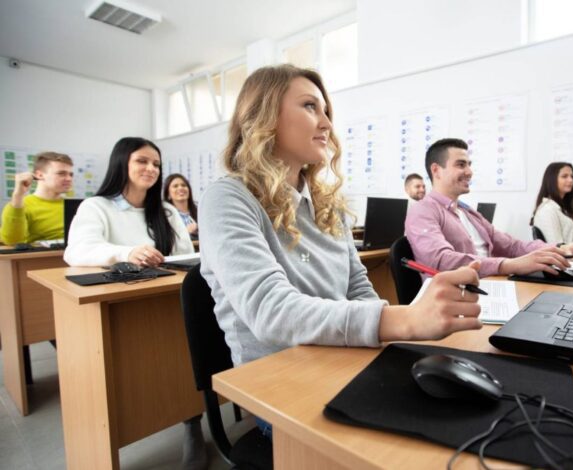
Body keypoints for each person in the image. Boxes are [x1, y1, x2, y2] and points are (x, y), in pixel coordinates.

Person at [198, 65, 483, 438]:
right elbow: (271, 312)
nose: (326, 124)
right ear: (264, 115)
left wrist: (394, 339)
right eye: (309, 107)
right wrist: (406, 320)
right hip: (279, 384)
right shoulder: (228, 197)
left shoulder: (327, 203)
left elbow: (359, 289)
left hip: (342, 358)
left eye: (326, 112)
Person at [62, 137, 204, 469]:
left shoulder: (166, 211)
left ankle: (192, 419)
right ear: (121, 163)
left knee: (185, 359)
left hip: (172, 299)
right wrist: (126, 253)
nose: (151, 169)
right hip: (124, 304)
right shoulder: (97, 207)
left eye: (156, 164)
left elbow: (185, 256)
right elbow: (76, 251)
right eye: (142, 161)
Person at [405, 138, 573, 278]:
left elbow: (513, 246)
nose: (469, 172)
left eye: (469, 165)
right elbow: (441, 261)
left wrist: (563, 248)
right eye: (461, 164)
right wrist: (509, 265)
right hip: (456, 298)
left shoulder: (468, 212)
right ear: (436, 170)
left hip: (491, 289)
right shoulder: (423, 210)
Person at [1, 152, 73, 245]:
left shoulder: (77, 206)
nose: (69, 178)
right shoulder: (20, 205)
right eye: (61, 173)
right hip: (41, 258)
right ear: (39, 175)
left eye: (71, 174)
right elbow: (12, 242)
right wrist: (18, 195)